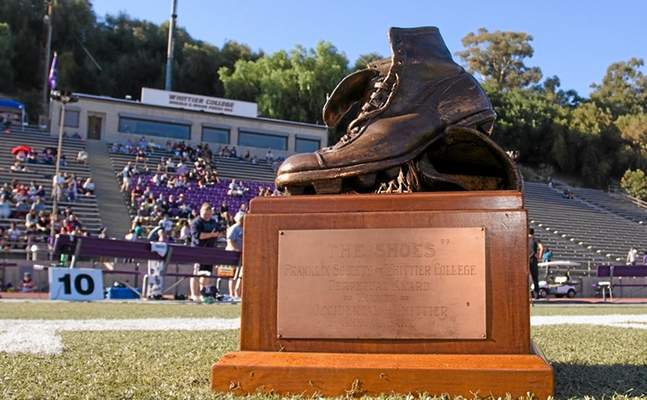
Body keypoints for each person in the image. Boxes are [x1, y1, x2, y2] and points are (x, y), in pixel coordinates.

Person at [190, 203, 223, 302]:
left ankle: (203, 293)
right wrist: (212, 235)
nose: (207, 216)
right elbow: (198, 236)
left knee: (207, 274)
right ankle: (194, 294)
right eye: (205, 214)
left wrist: (217, 234)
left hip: (210, 251)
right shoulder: (196, 222)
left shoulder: (213, 222)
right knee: (196, 273)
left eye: (209, 214)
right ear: (201, 212)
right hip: (198, 250)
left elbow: (218, 233)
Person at [226, 213, 244, 300]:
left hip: (242, 254)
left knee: (240, 274)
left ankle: (238, 293)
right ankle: (232, 294)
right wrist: (237, 249)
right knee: (232, 275)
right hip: (233, 254)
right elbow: (230, 241)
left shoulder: (245, 227)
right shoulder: (234, 228)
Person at [528, 228, 543, 298]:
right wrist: (539, 257)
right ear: (533, 233)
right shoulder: (535, 239)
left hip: (526, 260)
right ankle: (536, 295)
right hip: (533, 259)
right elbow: (541, 248)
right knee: (535, 278)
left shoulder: (524, 240)